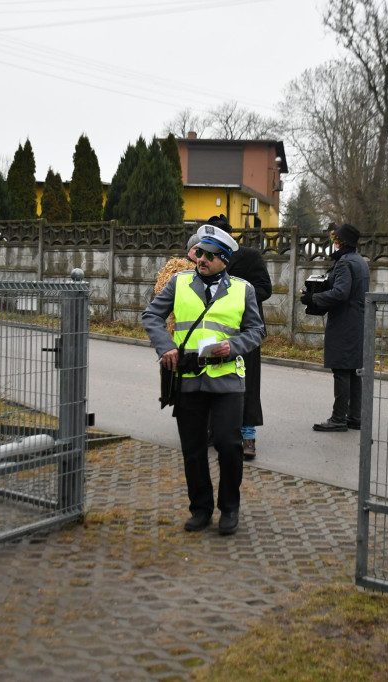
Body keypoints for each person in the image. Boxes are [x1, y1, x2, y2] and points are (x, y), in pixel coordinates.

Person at [142, 223, 264, 536]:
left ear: (224, 260)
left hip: (227, 382)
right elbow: (151, 316)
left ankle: (230, 509)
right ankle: (200, 509)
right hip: (189, 379)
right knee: (193, 449)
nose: (202, 259)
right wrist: (165, 345)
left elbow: (256, 331)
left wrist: (233, 346)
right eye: (200, 253)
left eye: (210, 255)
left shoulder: (243, 289)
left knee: (228, 444)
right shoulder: (178, 283)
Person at [209, 215, 272, 460]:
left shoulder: (251, 257)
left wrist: (235, 293)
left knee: (247, 383)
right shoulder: (205, 259)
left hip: (246, 331)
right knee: (213, 378)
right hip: (215, 329)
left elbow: (265, 289)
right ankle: (215, 430)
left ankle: (248, 435)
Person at [301, 223, 370, 432]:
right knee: (353, 370)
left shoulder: (344, 263)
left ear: (341, 242)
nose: (333, 243)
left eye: (334, 239)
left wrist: (313, 297)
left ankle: (339, 418)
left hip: (343, 323)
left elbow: (340, 292)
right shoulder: (360, 262)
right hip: (358, 322)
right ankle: (355, 417)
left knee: (341, 369)